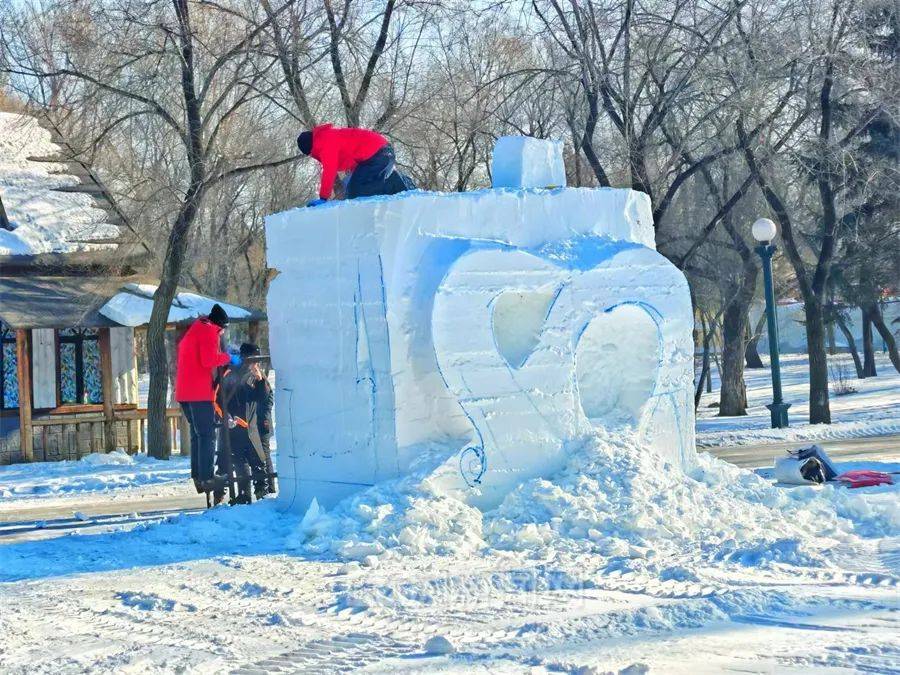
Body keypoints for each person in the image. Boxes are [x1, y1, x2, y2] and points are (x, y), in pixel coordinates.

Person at [175, 304, 241, 495]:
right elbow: (208, 360)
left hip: (184, 392)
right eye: (223, 330)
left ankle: (198, 476)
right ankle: (208, 478)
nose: (221, 334)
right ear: (220, 325)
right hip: (198, 393)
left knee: (197, 435)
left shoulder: (196, 328)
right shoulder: (209, 331)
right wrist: (229, 357)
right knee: (208, 435)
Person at [297, 124, 415, 206]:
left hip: (379, 154)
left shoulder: (324, 142)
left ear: (310, 149)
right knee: (354, 188)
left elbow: (329, 170)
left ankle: (395, 182)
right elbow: (353, 158)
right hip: (380, 153)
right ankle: (392, 182)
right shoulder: (328, 138)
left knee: (356, 190)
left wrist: (323, 197)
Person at [218, 343, 271, 502]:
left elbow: (263, 398)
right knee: (240, 464)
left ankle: (262, 495)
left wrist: (260, 380)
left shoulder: (257, 376)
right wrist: (226, 416)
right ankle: (243, 495)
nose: (256, 364)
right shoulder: (231, 373)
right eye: (253, 360)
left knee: (258, 463)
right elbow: (221, 399)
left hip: (251, 426)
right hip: (235, 426)